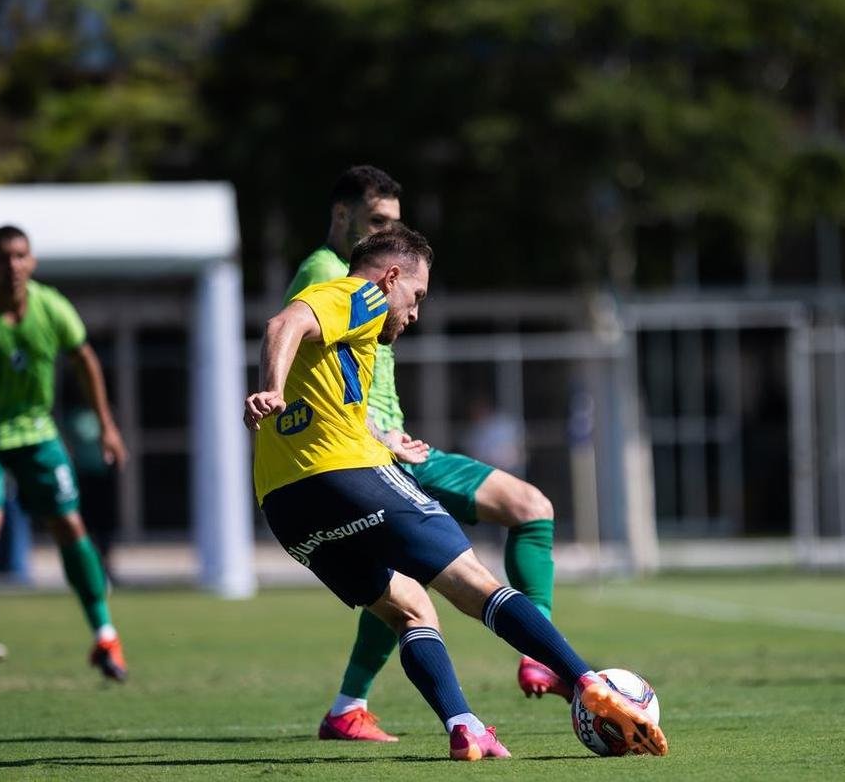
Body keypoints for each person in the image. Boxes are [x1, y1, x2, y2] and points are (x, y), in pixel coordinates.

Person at [246, 222, 668, 761]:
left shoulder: (346, 335)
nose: (415, 313)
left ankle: (466, 725)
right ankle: (588, 682)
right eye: (416, 296)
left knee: (411, 611)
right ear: (392, 276)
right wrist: (270, 389)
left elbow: (319, 401)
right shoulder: (361, 294)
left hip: (286, 507)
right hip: (347, 477)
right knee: (477, 586)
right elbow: (284, 321)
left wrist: (379, 436)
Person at [284, 166, 563, 744]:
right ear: (343, 217)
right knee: (522, 511)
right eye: (377, 221)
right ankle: (547, 659)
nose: (387, 231)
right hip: (364, 453)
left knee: (516, 516)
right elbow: (300, 361)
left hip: (396, 446)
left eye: (393, 221)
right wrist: (370, 433)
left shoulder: (375, 284)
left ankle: (349, 708)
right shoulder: (328, 272)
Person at [0, 224, 130, 688]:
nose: (12, 265)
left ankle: (105, 635)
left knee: (70, 525)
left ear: (32, 262)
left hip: (38, 434)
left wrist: (107, 426)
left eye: (20, 255)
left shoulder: (51, 306)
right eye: (2, 257)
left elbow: (85, 359)